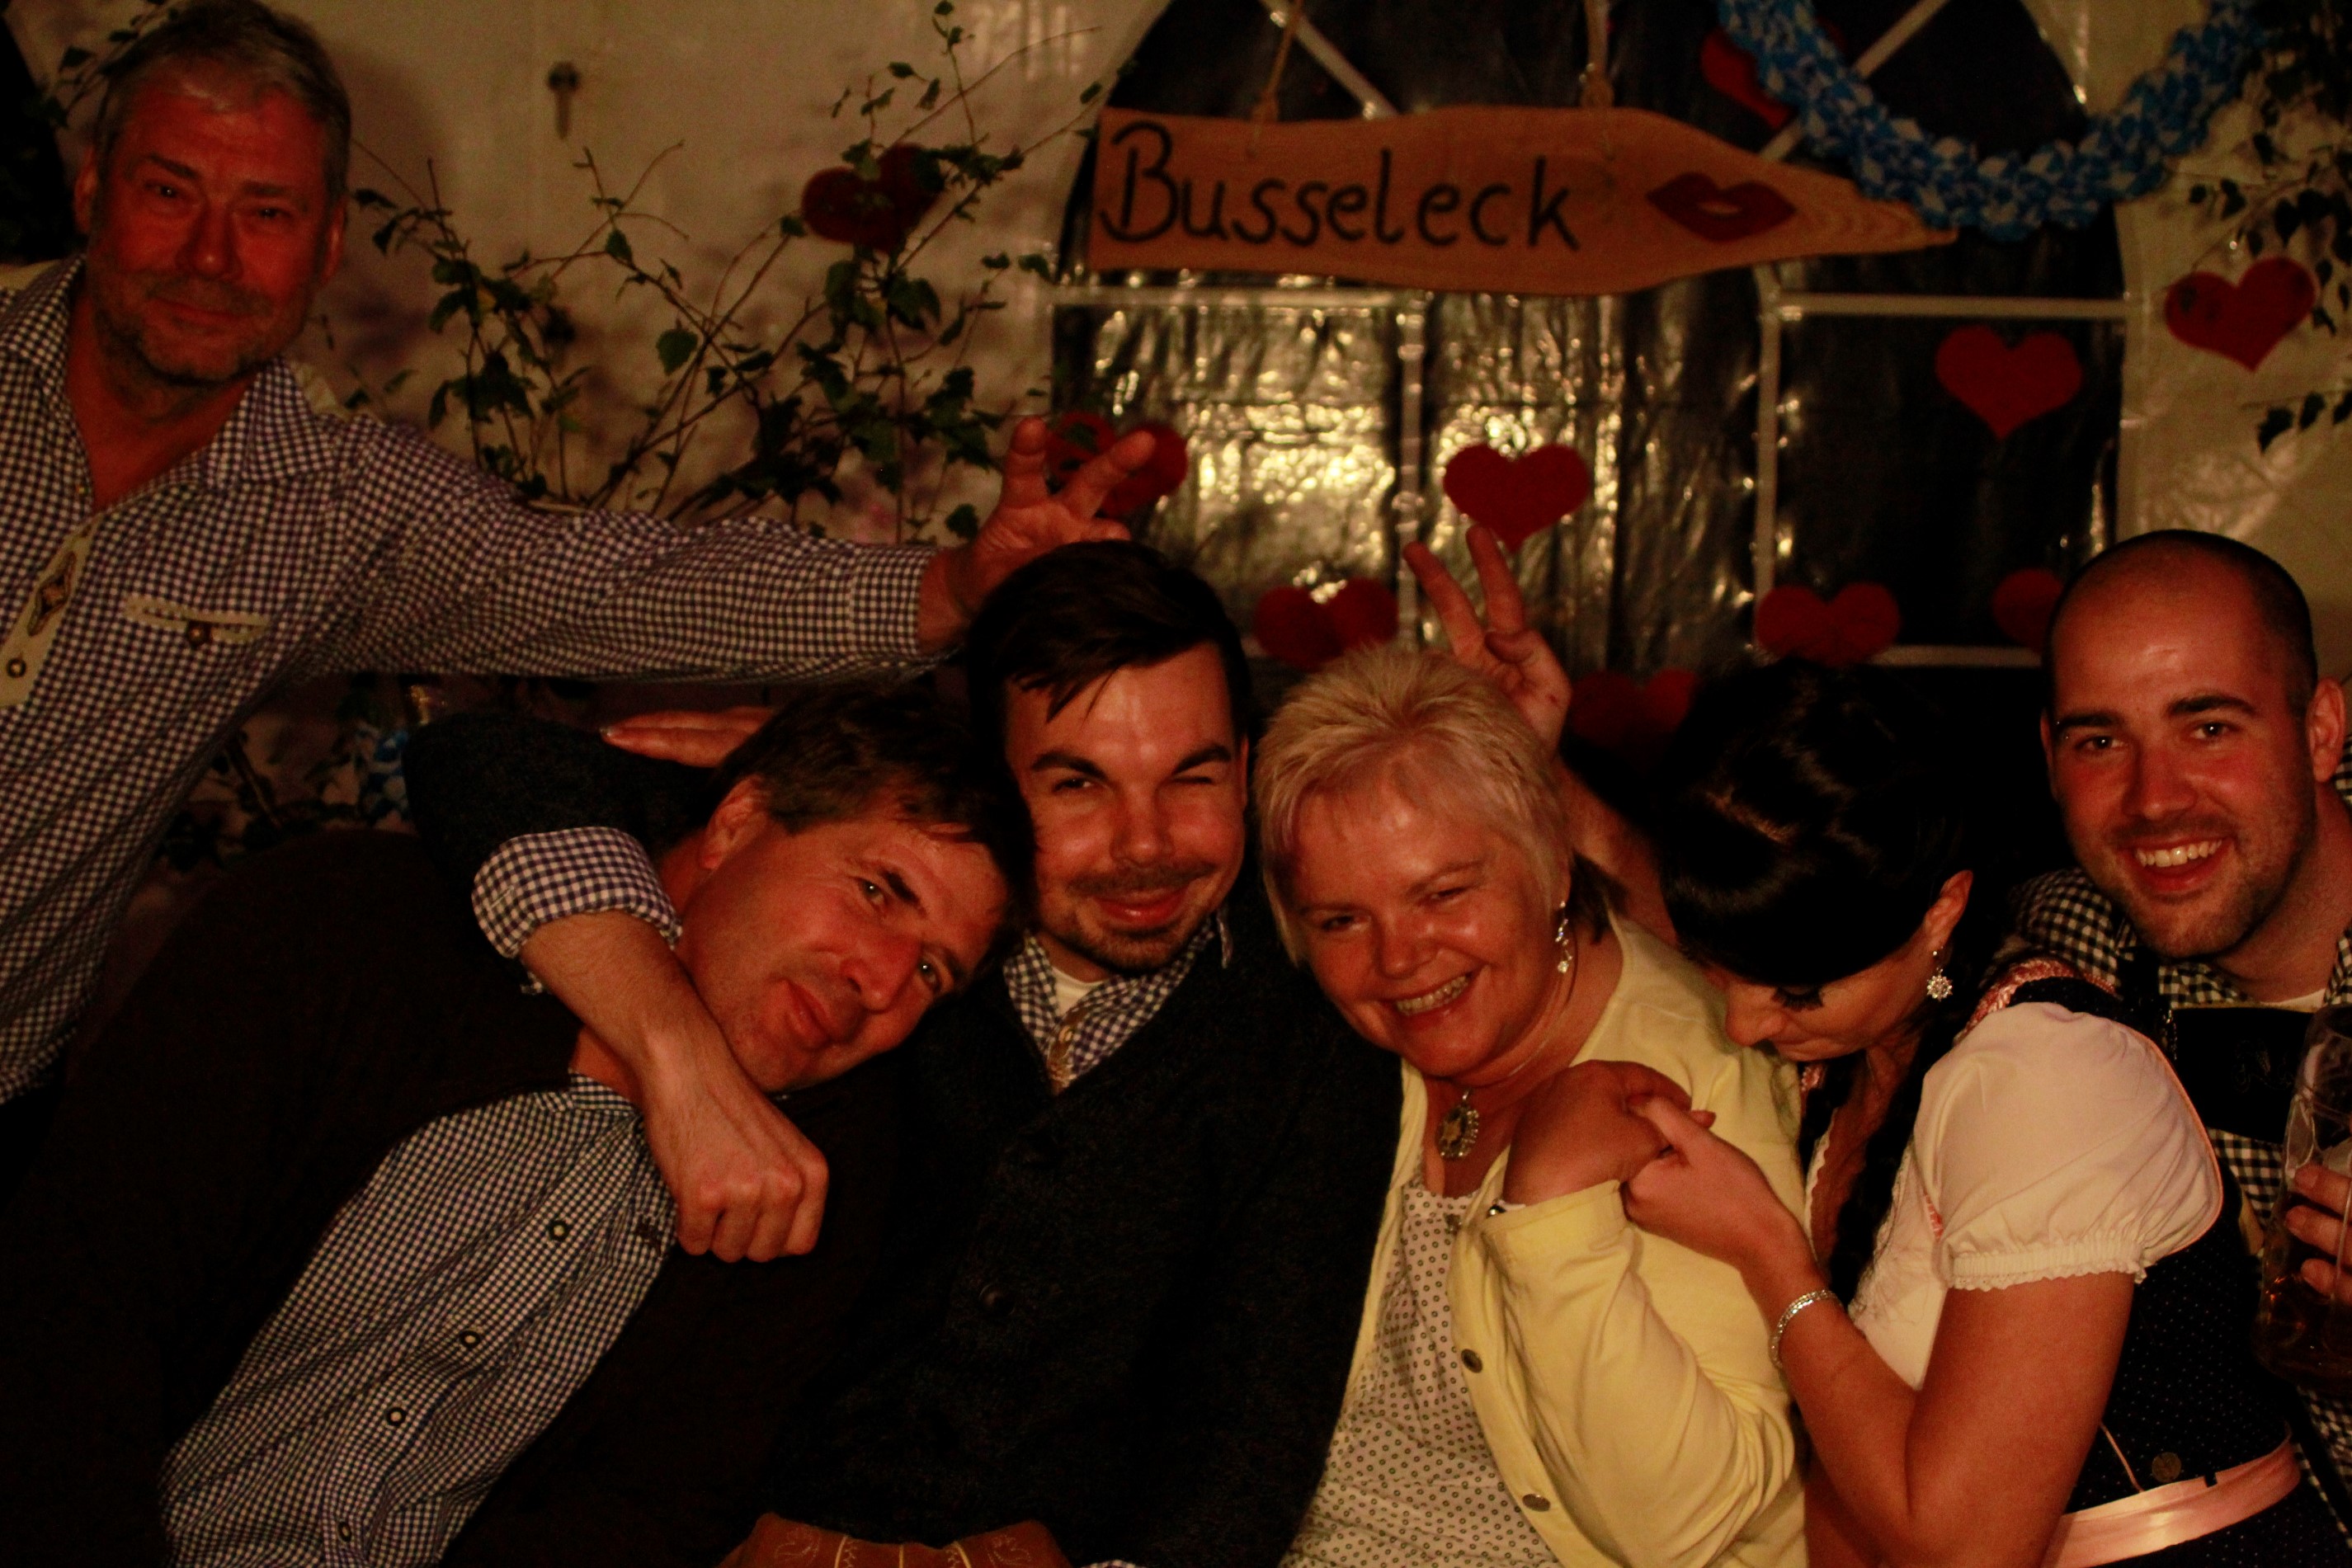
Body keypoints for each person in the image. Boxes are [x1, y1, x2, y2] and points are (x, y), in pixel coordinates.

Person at [0, 0, 1154, 1239]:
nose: (210, 255)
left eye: (266, 213)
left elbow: (624, 584)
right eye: (169, 192)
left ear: (328, 242)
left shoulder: (331, 508)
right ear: (91, 189)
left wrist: (951, 588)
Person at [400, 541, 1402, 1567]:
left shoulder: (1308, 1013)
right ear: (990, 779)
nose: (1145, 844)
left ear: (1245, 764)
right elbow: (483, 763)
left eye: (1192, 776)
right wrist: (683, 1048)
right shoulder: (888, 907)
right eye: (1077, 783)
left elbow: (1254, 1423)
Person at [0, 682, 1017, 1568]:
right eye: (876, 890)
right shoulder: (347, 931)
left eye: (934, 971)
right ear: (738, 822)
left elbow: (645, 1510)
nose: (883, 980)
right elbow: (74, 1308)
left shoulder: (824, 1180)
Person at [1619, 658, 2345, 1566]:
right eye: (1719, 972)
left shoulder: (2042, 1079)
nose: (1743, 1023)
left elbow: (1967, 1544)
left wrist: (1765, 1250)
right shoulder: (1858, 1048)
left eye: (1796, 990)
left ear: (1941, 910)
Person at [1251, 640, 1806, 1568]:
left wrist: (1553, 1216)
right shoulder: (1335, 1058)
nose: (1398, 958)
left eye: (1442, 893)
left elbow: (1687, 1523)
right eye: (1341, 919)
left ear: (1552, 860)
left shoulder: (1699, 1071)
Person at [2014, 529, 2352, 1503]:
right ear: (2049, 755)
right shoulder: (2072, 941)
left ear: (2320, 729)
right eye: (2100, 741)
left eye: (2208, 727)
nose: (2153, 799)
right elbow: (1832, 960)